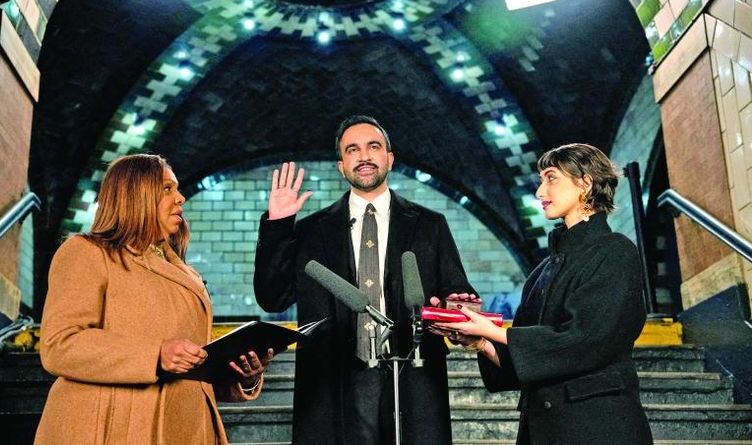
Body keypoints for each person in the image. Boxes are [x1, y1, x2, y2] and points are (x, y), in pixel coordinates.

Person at [254, 115, 477, 444]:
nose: (364, 156)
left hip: (411, 377)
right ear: (341, 166)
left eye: (373, 146)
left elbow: (455, 291)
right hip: (333, 384)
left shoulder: (430, 225)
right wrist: (278, 225)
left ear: (389, 158)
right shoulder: (310, 231)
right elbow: (272, 298)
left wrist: (456, 305)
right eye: (352, 149)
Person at [35, 154, 273, 445]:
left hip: (188, 428)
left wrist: (243, 375)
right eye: (167, 189)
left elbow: (193, 367)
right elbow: (60, 344)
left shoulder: (187, 274)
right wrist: (155, 355)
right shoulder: (86, 252)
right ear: (135, 194)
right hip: (112, 427)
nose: (180, 198)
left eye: (177, 189)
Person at [430, 143, 653, 444]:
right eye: (541, 180)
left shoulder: (615, 252)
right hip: (542, 432)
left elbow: (586, 340)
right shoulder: (541, 272)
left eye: (551, 178)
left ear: (585, 183)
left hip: (598, 429)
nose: (539, 192)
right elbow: (528, 363)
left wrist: (492, 331)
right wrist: (481, 341)